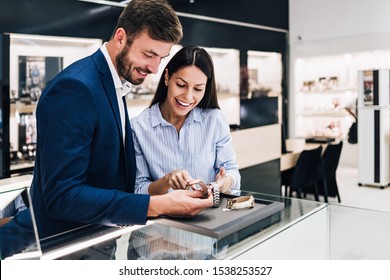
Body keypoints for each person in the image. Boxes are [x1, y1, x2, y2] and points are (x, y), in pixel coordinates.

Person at [0, 0, 213, 256]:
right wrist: (154, 205)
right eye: (148, 55)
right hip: (66, 250)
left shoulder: (114, 83)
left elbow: (107, 176)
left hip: (95, 242)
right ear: (121, 37)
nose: (154, 68)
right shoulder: (75, 88)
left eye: (161, 58)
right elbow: (62, 196)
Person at [131, 46, 241, 196]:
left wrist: (223, 183)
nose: (188, 97)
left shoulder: (214, 120)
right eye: (181, 85)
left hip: (208, 216)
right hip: (164, 218)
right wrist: (166, 181)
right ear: (167, 77)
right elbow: (138, 189)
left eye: (198, 89)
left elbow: (231, 170)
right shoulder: (138, 128)